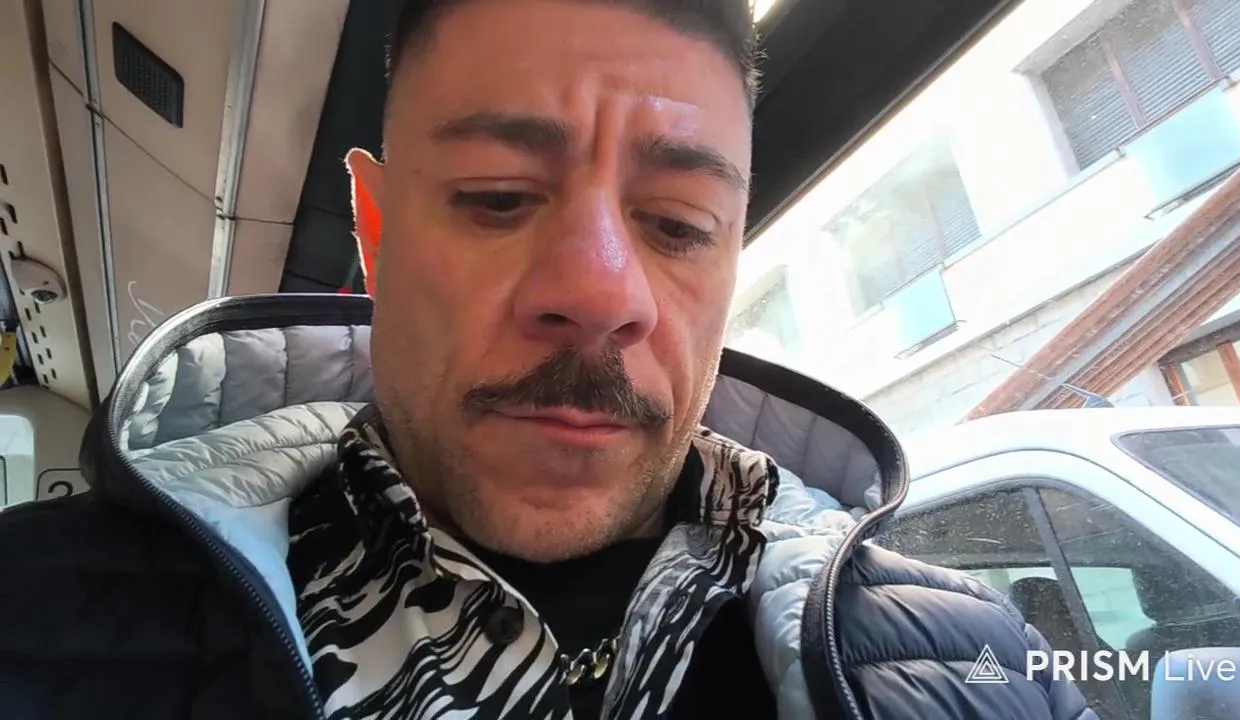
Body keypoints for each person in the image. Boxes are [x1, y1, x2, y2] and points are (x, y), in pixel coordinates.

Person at [0, 1, 1098, 718]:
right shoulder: (33, 616)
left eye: (677, 225)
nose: (600, 293)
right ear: (375, 234)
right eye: (496, 198)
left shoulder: (988, 669)